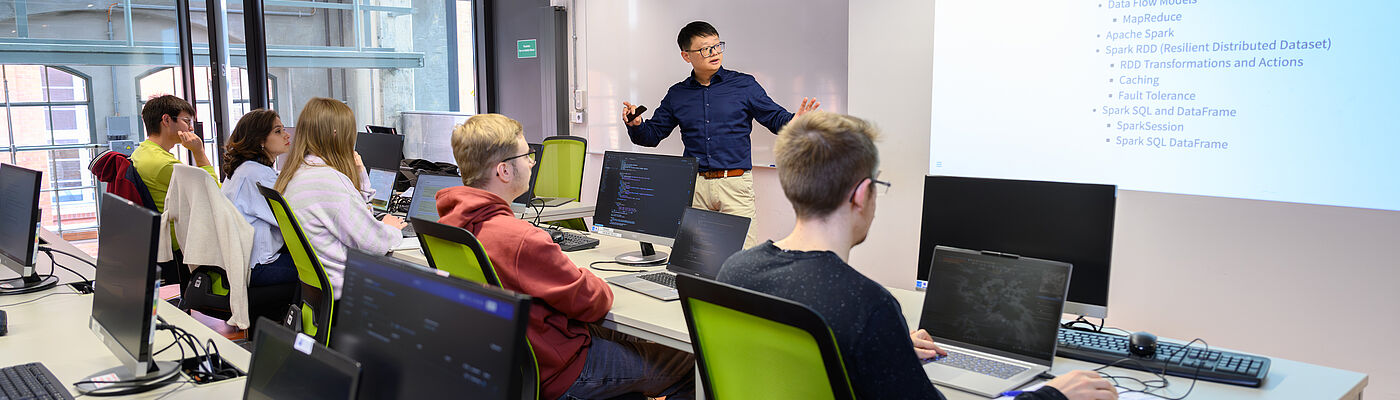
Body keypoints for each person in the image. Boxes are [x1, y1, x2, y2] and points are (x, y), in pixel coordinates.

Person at [718, 112, 1119, 400]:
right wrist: (1054, 396)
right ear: (862, 194)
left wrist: (886, 348)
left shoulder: (736, 271)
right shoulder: (866, 305)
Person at [436, 114, 696, 400]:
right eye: (527, 155)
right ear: (504, 171)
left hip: (511, 365)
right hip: (562, 371)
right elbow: (594, 302)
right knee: (688, 364)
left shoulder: (452, 225)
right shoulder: (520, 238)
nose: (533, 162)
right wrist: (585, 275)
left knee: (624, 337)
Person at [622, 20, 820, 248]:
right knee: (696, 258)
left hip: (734, 185)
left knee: (741, 260)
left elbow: (776, 119)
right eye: (705, 49)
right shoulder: (678, 94)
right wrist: (636, 124)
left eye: (717, 46)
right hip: (694, 188)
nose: (714, 53)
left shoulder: (744, 85)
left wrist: (795, 122)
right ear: (686, 56)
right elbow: (652, 136)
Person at [274, 98, 406, 299]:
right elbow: (375, 244)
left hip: (320, 293)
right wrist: (392, 229)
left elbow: (356, 217)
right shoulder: (327, 180)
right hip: (350, 293)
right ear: (336, 134)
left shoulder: (297, 173)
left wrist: (360, 174)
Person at [220, 109, 296, 287]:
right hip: (258, 266)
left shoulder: (245, 169)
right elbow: (293, 221)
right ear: (260, 140)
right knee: (324, 269)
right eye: (278, 131)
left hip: (240, 262)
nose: (286, 135)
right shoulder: (258, 175)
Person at [132, 94, 217, 213]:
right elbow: (214, 194)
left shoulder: (142, 151)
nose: (191, 128)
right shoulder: (164, 164)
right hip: (179, 230)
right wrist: (199, 152)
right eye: (187, 121)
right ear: (166, 120)